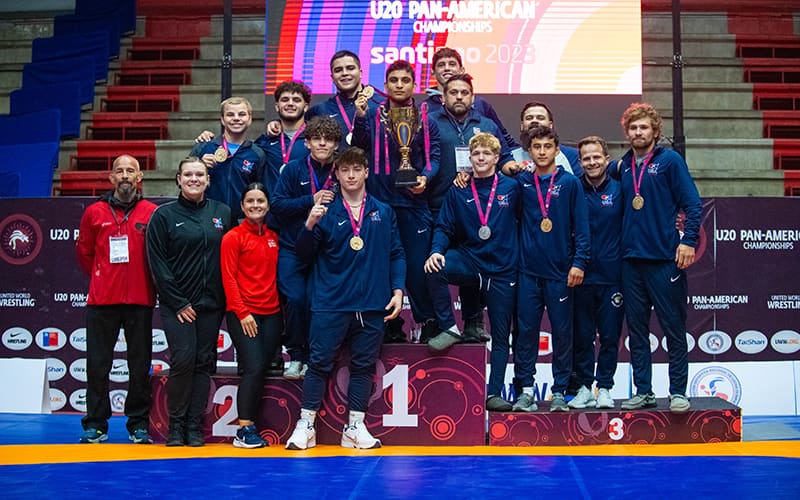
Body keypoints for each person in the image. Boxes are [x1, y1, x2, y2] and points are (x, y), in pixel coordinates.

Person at [285, 147, 405, 450]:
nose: (350, 175)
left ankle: (354, 427)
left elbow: (396, 253)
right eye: (344, 170)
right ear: (336, 175)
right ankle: (306, 425)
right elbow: (302, 254)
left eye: (356, 169)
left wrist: (398, 289)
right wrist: (309, 224)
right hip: (331, 303)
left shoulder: (383, 211)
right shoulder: (326, 212)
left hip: (371, 306)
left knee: (363, 367)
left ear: (366, 172)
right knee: (319, 364)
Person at [611, 103, 702, 414]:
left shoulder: (670, 161)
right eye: (633, 128)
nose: (638, 132)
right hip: (631, 261)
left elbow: (692, 203)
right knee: (636, 330)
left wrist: (688, 241)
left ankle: (678, 391)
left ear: (655, 131)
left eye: (644, 127)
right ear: (627, 132)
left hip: (664, 259)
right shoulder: (622, 166)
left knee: (673, 328)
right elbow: (591, 173)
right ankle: (644, 391)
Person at [424, 133, 520, 412]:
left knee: (501, 335)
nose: (480, 158)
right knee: (434, 268)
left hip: (503, 269)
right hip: (470, 261)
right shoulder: (459, 189)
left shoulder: (512, 188)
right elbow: (444, 226)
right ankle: (450, 328)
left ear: (495, 157)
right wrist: (436, 250)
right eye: (476, 154)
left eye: (486, 154)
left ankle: (494, 393)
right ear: (470, 157)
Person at [351, 59, 440, 342]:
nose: (399, 85)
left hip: (414, 203)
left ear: (414, 85)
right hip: (379, 202)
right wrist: (361, 116)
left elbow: (433, 156)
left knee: (416, 268)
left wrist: (425, 177)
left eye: (405, 80)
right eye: (394, 81)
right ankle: (388, 323)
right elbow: (359, 145)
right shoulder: (375, 114)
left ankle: (428, 320)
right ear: (385, 85)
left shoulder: (425, 117)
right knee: (381, 265)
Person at [146, 157, 232, 446]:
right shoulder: (163, 215)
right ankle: (176, 425)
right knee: (183, 359)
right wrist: (179, 302)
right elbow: (158, 264)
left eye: (200, 174)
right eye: (188, 175)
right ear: (179, 180)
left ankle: (194, 426)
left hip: (211, 304)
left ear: (208, 180)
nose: (194, 179)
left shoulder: (222, 212)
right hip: (177, 305)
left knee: (203, 363)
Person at [427, 74, 515, 343]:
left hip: (476, 204)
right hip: (441, 201)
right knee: (437, 263)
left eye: (464, 92)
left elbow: (504, 156)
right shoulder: (432, 122)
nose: (459, 97)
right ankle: (444, 326)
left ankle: (473, 323)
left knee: (474, 256)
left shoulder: (486, 124)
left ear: (473, 98)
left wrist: (513, 171)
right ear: (443, 97)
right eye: (453, 92)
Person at [76, 154, 157, 444]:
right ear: (111, 178)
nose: (125, 175)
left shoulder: (151, 212)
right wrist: (102, 276)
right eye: (119, 171)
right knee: (98, 364)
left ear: (139, 178)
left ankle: (138, 424)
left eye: (130, 171)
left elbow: (156, 256)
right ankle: (96, 424)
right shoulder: (94, 212)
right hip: (102, 301)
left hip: (140, 299)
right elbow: (85, 253)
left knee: (139, 365)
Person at [513, 125, 590, 413]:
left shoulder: (570, 183)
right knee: (526, 333)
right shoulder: (521, 182)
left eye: (548, 146)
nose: (542, 152)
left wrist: (579, 262)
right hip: (528, 272)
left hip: (561, 272)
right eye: (537, 147)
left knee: (562, 333)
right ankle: (524, 391)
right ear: (529, 151)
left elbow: (581, 227)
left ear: (557, 150)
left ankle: (560, 391)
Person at [271, 116, 341, 379]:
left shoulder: (342, 171)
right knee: (297, 299)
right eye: (317, 138)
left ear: (336, 144)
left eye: (328, 139)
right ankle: (297, 355)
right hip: (292, 248)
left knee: (318, 302)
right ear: (307, 142)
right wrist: (309, 200)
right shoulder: (292, 170)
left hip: (327, 250)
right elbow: (277, 206)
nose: (322, 143)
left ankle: (316, 356)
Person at [220, 183, 282, 448]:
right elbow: (228, 279)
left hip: (272, 313)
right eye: (250, 201)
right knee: (253, 367)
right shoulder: (233, 237)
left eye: (260, 201)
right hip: (244, 314)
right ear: (243, 206)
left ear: (268, 206)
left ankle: (254, 423)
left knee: (263, 368)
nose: (255, 205)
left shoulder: (273, 237)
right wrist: (243, 313)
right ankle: (244, 429)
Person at [569, 136, 624, 410]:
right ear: (579, 163)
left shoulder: (621, 190)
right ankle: (583, 388)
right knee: (582, 337)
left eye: (596, 157)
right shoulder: (572, 189)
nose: (592, 162)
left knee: (610, 336)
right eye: (586, 158)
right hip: (580, 276)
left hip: (613, 277)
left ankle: (604, 387)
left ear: (606, 159)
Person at [190, 96, 266, 222]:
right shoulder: (204, 147)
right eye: (230, 114)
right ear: (222, 120)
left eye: (241, 114)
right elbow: (185, 182)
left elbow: (260, 190)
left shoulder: (257, 154)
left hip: (242, 222)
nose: (236, 118)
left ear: (250, 119)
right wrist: (200, 167)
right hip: (207, 220)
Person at [424, 47, 518, 149]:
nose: (447, 68)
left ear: (461, 70)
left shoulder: (480, 104)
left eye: (452, 64)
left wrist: (519, 156)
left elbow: (502, 138)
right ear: (433, 72)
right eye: (441, 65)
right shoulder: (425, 108)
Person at [305, 50, 381, 146]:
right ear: (332, 77)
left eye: (350, 68)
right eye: (338, 70)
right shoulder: (321, 110)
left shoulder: (380, 103)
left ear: (360, 73)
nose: (344, 73)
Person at [515, 102, 582, 177]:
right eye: (529, 118)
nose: (534, 121)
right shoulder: (510, 156)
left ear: (551, 125)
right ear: (521, 126)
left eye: (540, 118)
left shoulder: (572, 155)